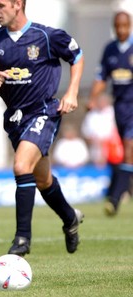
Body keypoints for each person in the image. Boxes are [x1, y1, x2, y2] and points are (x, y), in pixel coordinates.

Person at [0, 0, 85, 256]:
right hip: (15, 119)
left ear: (18, 5)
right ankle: (70, 217)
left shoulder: (46, 36)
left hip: (44, 112)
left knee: (20, 166)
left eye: (1, 5)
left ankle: (22, 239)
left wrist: (71, 93)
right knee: (41, 179)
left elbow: (77, 56)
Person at [87, 11, 133, 217]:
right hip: (120, 107)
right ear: (114, 27)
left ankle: (114, 199)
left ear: (130, 26)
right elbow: (101, 77)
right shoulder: (110, 49)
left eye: (125, 26)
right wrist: (92, 98)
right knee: (125, 151)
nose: (122, 30)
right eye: (118, 26)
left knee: (129, 148)